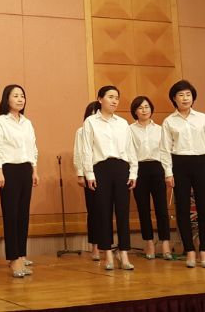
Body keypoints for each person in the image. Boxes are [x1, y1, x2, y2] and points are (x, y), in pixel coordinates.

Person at [160, 80, 205, 268]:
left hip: (201, 162)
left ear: (193, 97)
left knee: (204, 208)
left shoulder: (203, 118)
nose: (185, 98)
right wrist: (168, 173)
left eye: (188, 95)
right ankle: (190, 251)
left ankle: (204, 250)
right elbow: (164, 150)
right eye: (181, 95)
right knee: (183, 209)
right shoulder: (169, 121)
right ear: (174, 99)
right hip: (179, 164)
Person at [81, 85, 138, 271]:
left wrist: (133, 172)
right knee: (103, 212)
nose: (114, 101)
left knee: (122, 213)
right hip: (100, 168)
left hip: (121, 168)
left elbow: (130, 149)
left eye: (117, 98)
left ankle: (124, 253)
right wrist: (89, 173)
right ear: (100, 99)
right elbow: (86, 149)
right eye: (110, 97)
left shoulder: (122, 123)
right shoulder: (90, 122)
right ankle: (107, 255)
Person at [0, 84, 39, 278]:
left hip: (26, 169)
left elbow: (32, 148)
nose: (20, 99)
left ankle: (21, 255)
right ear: (7, 99)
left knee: (23, 215)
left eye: (22, 96)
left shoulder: (27, 123)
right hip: (8, 169)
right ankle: (13, 259)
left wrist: (34, 171)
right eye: (15, 96)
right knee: (11, 215)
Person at [128, 96, 172, 260]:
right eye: (140, 107)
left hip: (157, 168)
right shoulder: (129, 130)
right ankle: (149, 243)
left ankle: (165, 243)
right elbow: (130, 152)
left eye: (147, 106)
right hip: (138, 169)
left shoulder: (160, 129)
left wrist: (168, 172)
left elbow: (166, 152)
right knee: (143, 209)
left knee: (162, 208)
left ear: (151, 109)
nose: (144, 110)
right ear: (135, 111)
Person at [73, 103, 101, 261]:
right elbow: (79, 153)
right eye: (92, 113)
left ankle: (106, 245)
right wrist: (80, 174)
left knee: (106, 210)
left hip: (106, 170)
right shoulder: (82, 131)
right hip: (89, 171)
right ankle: (95, 246)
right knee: (94, 210)